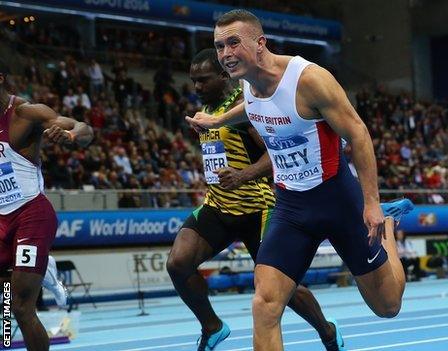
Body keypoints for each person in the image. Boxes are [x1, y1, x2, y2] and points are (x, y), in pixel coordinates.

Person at [187, 10, 406, 350]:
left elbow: (359, 134)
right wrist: (217, 122)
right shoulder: (248, 79)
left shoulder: (309, 80)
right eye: (219, 46)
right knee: (265, 304)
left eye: (233, 43)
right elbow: (254, 106)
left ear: (260, 43)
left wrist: (373, 204)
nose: (225, 54)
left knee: (388, 306)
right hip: (291, 206)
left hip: (338, 200)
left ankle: (388, 225)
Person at [167, 49, 344, 351]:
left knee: (279, 290)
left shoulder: (244, 108)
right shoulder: (209, 112)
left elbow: (276, 153)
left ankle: (327, 332)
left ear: (224, 76)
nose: (197, 87)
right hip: (219, 205)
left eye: (204, 81)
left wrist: (243, 175)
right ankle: (213, 327)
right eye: (193, 81)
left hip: (259, 209)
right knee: (178, 263)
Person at [0, 62, 93, 350]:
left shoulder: (25, 113)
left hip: (31, 215)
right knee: (5, 296)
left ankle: (40, 264)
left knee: (21, 307)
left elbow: (84, 128)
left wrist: (72, 136)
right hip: (1, 221)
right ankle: (45, 267)